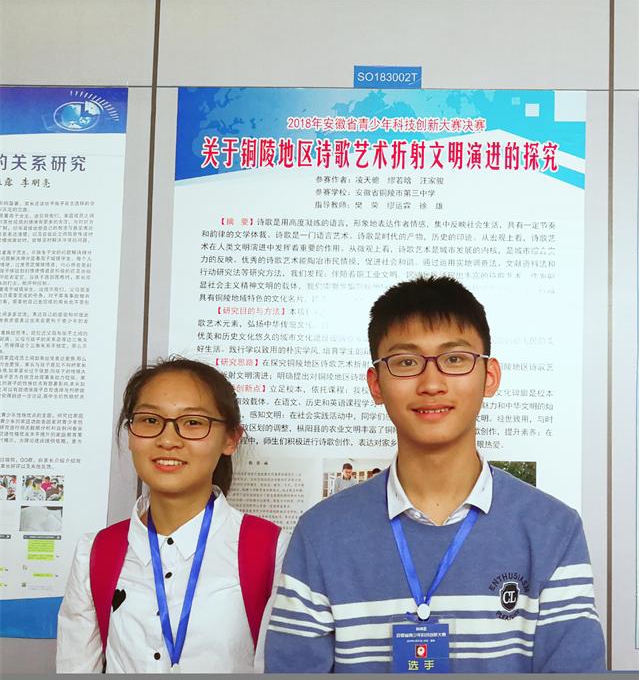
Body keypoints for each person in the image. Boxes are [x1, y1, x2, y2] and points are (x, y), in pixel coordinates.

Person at [265, 276, 605, 673]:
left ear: (490, 376)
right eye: (406, 362)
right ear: (376, 384)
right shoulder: (321, 534)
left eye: (455, 359)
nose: (431, 384)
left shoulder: (553, 529)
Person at [57, 357, 288, 673]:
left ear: (231, 439)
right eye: (150, 420)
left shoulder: (272, 549)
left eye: (193, 422)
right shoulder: (95, 552)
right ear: (130, 433)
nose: (167, 440)